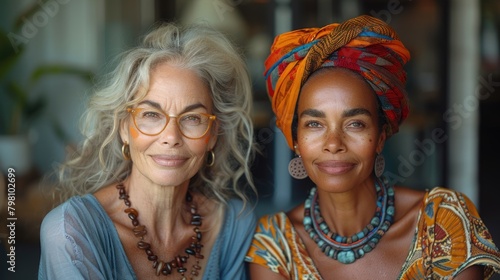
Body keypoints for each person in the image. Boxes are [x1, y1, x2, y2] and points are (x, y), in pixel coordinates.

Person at [245, 15, 500, 279]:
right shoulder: (275, 244)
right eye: (314, 124)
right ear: (296, 139)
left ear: (380, 137)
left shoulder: (441, 220)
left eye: (355, 124)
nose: (333, 144)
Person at [38, 22, 257, 280]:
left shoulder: (234, 224)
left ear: (212, 135)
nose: (171, 137)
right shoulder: (70, 232)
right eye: (151, 114)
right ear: (123, 128)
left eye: (192, 118)